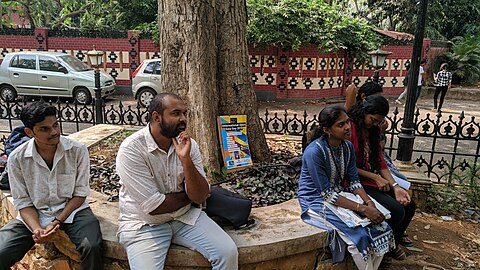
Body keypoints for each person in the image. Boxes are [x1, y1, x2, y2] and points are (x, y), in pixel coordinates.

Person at [115, 93, 238, 270]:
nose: (183, 119)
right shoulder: (132, 149)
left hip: (185, 218)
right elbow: (154, 206)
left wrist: (185, 160)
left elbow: (201, 195)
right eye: (176, 113)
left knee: (228, 253)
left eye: (184, 113)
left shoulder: (189, 145)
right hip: (145, 224)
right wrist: (189, 197)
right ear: (157, 117)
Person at [0, 102, 103, 270]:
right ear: (29, 132)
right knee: (1, 250)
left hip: (73, 211)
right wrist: (37, 230)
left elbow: (80, 194)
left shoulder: (77, 150)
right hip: (36, 213)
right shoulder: (17, 159)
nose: (54, 132)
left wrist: (56, 221)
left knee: (91, 246)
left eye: (55, 125)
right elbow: (23, 202)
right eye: (44, 129)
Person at [298, 105, 394, 270]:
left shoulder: (347, 147)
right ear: (327, 129)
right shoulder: (314, 152)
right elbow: (327, 194)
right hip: (315, 200)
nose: (348, 127)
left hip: (339, 195)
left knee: (383, 227)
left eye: (347, 122)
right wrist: (362, 209)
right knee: (359, 236)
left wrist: (368, 202)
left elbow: (354, 181)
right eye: (341, 125)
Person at [347, 95, 416, 260]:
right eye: (373, 119)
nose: (376, 124)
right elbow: (347, 167)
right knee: (397, 211)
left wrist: (396, 187)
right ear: (365, 111)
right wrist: (375, 177)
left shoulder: (373, 130)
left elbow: (380, 161)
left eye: (379, 121)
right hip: (354, 180)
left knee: (409, 205)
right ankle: (383, 248)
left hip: (371, 178)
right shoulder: (350, 128)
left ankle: (393, 242)